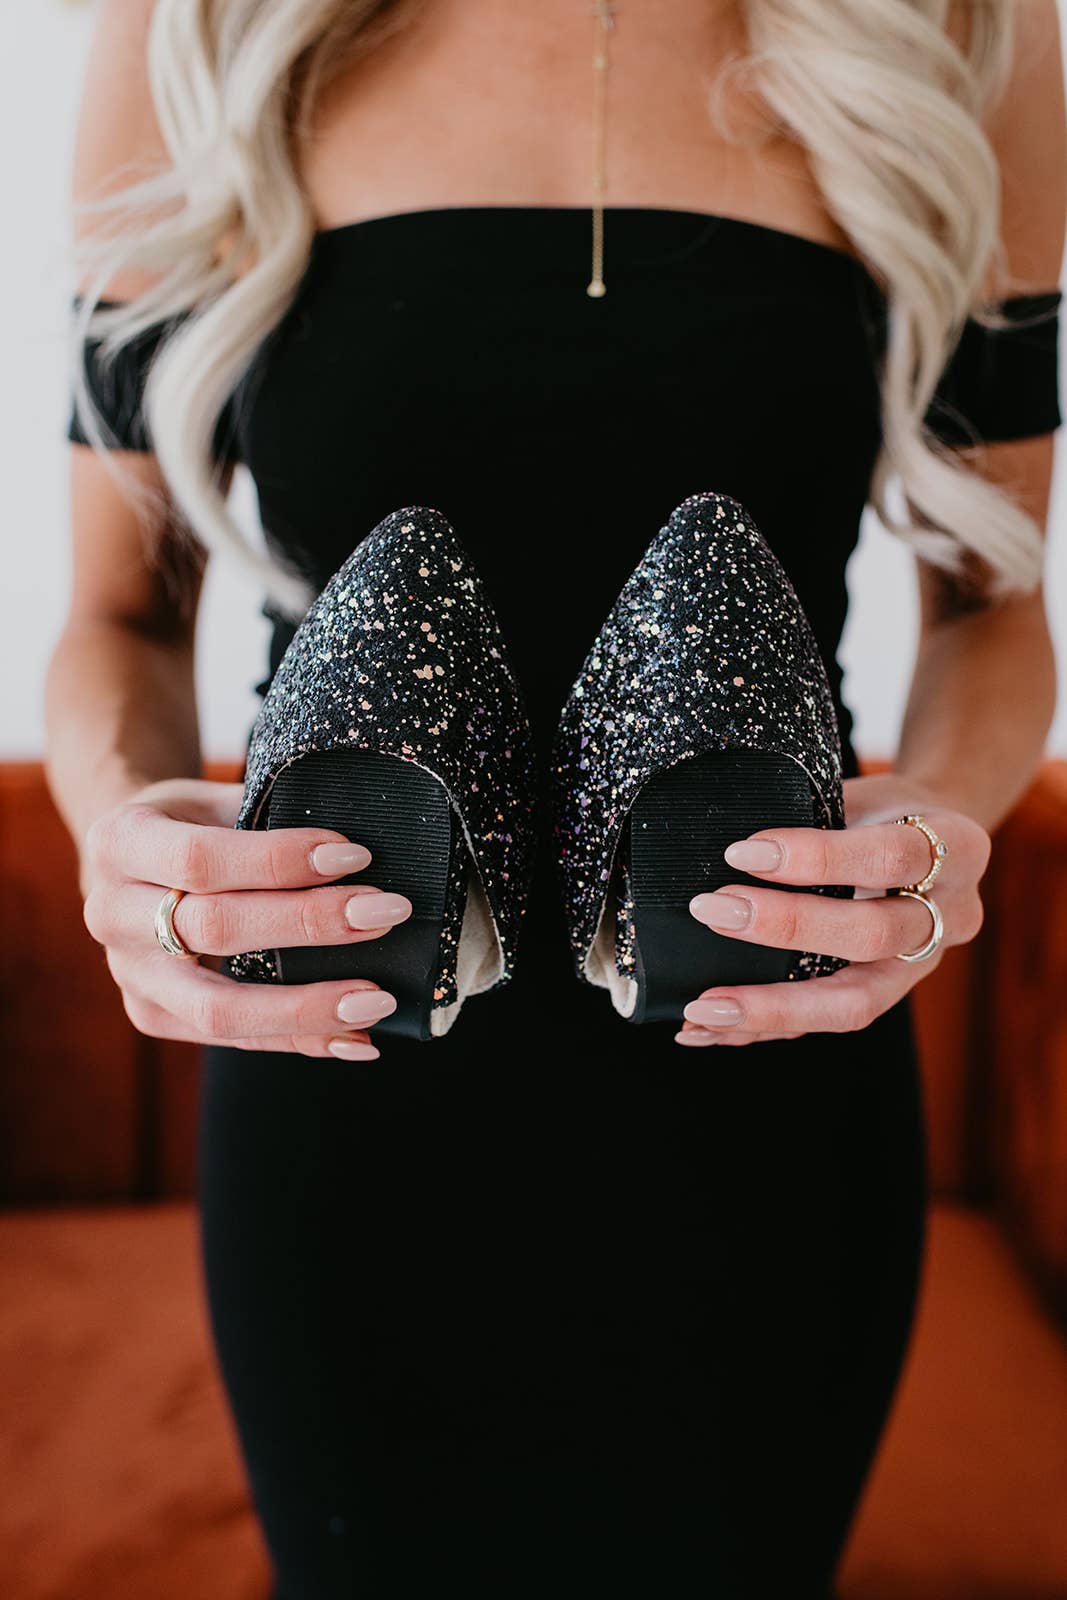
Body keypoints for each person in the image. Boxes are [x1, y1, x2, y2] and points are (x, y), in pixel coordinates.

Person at [46, 1, 1064, 1594]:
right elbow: (117, 615)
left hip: (759, 1036)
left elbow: (993, 606)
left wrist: (940, 812)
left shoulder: (963, 24)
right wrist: (123, 831)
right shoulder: (198, 21)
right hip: (350, 1052)